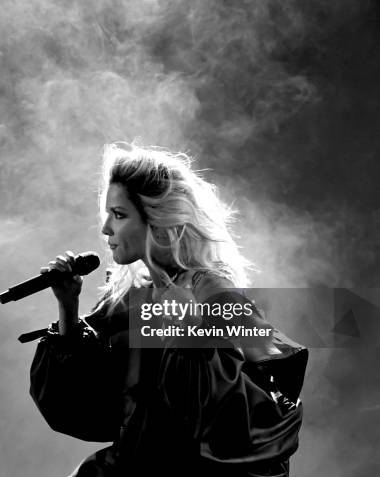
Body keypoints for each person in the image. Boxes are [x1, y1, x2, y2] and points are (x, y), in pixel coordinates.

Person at [25, 142, 308, 476]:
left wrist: (191, 338)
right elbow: (85, 405)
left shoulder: (211, 292)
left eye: (119, 215)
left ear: (155, 220)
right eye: (107, 215)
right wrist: (68, 308)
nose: (105, 230)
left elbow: (264, 406)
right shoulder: (133, 298)